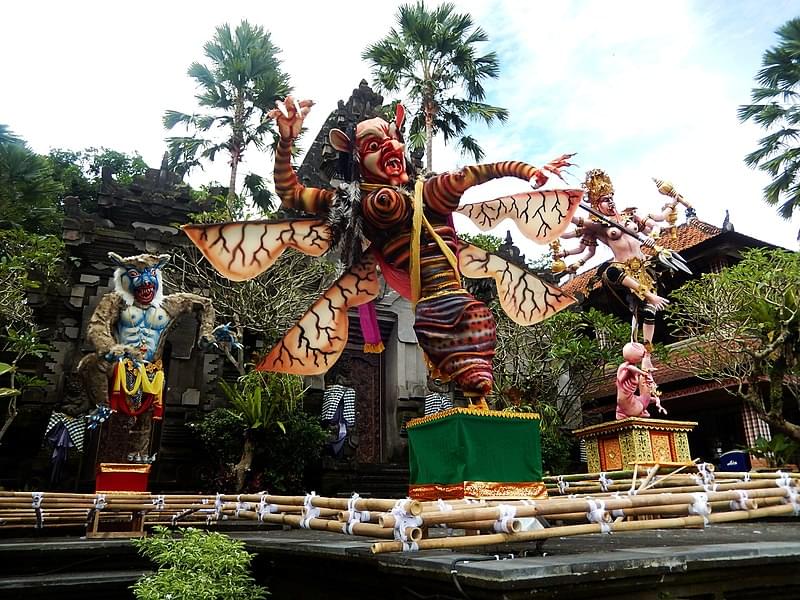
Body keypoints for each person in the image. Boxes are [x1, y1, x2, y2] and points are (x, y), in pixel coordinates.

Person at [555, 169, 684, 369]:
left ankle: (647, 356)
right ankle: (649, 296)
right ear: (597, 204)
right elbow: (572, 231)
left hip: (644, 266)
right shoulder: (597, 225)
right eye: (605, 200)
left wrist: (672, 203)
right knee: (609, 272)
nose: (610, 202)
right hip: (622, 268)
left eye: (611, 197)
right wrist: (564, 205)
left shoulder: (630, 215)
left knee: (649, 314)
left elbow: (659, 220)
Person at [615, 342, 666, 419]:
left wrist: (656, 399)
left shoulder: (628, 368)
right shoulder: (624, 368)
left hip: (625, 402)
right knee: (642, 401)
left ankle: (624, 412)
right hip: (628, 403)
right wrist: (642, 372)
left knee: (643, 395)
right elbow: (630, 368)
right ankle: (637, 412)